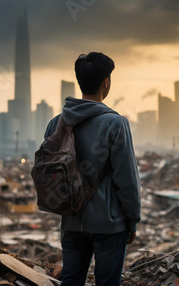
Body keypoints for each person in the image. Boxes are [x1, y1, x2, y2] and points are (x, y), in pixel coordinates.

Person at [43, 52, 141, 285]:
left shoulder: (56, 123)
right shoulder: (116, 123)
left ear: (80, 81)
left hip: (71, 221)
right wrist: (132, 220)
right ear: (106, 82)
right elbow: (126, 179)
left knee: (72, 281)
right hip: (109, 225)